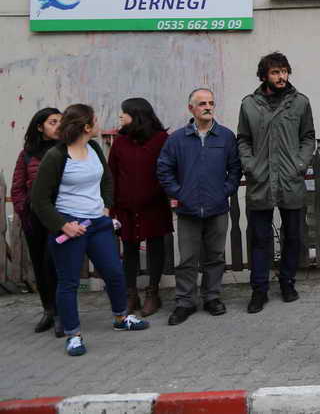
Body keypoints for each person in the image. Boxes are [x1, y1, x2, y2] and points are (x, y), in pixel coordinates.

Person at [30, 104, 150, 357]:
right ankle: (73, 335)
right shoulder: (56, 156)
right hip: (70, 227)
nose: (99, 124)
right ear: (86, 127)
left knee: (114, 272)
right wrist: (63, 225)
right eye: (95, 121)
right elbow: (39, 200)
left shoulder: (94, 148)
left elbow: (107, 179)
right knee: (69, 282)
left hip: (98, 224)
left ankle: (121, 318)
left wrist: (106, 207)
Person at [237, 51, 316, 313]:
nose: (281, 76)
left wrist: (300, 164)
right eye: (275, 72)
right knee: (260, 239)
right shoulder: (249, 104)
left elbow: (308, 137)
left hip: (290, 179)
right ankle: (259, 290)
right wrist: (250, 165)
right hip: (261, 180)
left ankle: (287, 282)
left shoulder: (300, 102)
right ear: (264, 76)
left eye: (284, 71)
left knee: (293, 236)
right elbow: (243, 139)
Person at [158, 88, 242, 325]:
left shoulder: (225, 137)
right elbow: (164, 169)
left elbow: (235, 168)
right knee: (187, 259)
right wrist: (179, 193)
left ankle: (212, 297)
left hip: (217, 208)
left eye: (211, 103)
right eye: (202, 103)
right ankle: (185, 301)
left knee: (215, 256)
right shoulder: (177, 139)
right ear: (191, 108)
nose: (208, 107)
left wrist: (224, 191)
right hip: (188, 210)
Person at [108, 97, 172, 317]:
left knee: (156, 247)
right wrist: (112, 206)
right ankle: (131, 294)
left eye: (124, 112)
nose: (120, 116)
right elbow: (112, 174)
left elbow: (169, 168)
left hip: (154, 205)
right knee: (129, 249)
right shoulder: (120, 141)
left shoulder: (161, 139)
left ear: (136, 115)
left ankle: (153, 293)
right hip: (125, 207)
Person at [10, 107, 62, 335]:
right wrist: (25, 212)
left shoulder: (66, 150)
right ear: (40, 127)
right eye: (52, 122)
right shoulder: (27, 154)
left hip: (59, 217)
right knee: (40, 266)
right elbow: (17, 187)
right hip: (35, 219)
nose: (58, 126)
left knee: (54, 263)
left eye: (60, 121)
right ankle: (48, 310)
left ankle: (61, 313)